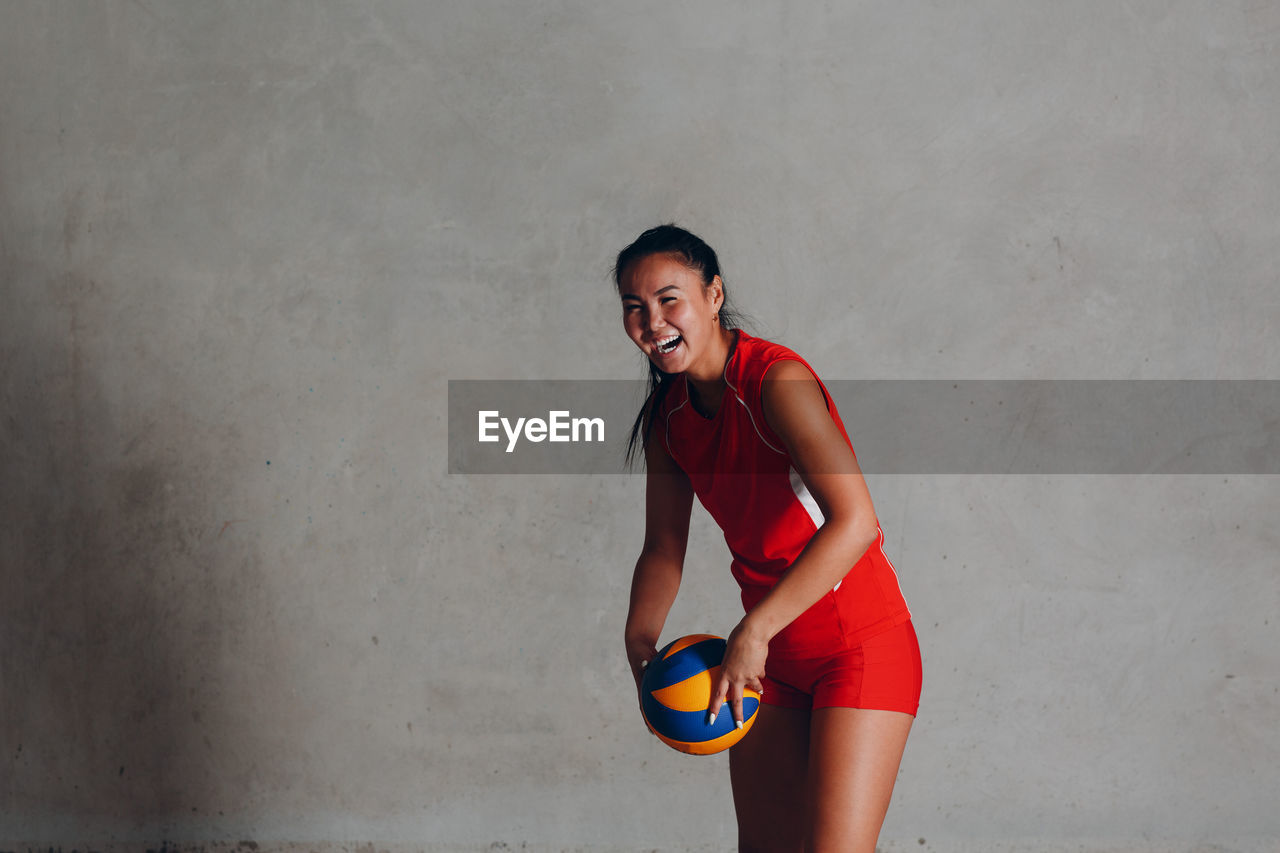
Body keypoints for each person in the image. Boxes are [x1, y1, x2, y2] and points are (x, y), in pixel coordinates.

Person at [616, 225, 922, 853]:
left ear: (714, 294)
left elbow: (856, 520)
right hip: (766, 663)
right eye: (634, 307)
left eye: (669, 299)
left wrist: (752, 631)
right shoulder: (667, 422)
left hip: (858, 648)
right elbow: (662, 550)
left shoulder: (775, 382)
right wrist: (639, 639)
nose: (652, 321)